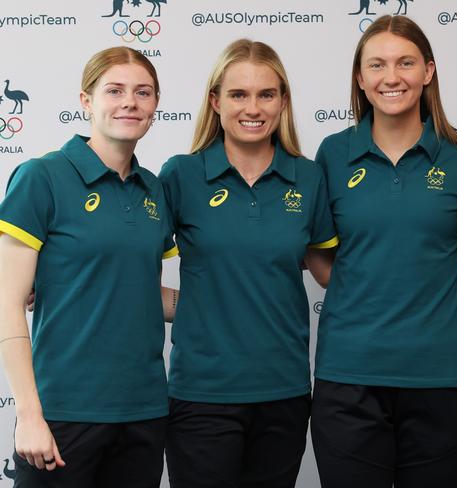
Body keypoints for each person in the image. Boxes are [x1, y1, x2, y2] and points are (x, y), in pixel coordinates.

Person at [310, 15, 457, 488]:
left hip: (443, 380)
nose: (392, 77)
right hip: (349, 378)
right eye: (378, 65)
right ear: (361, 79)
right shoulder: (332, 154)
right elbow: (319, 257)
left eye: (406, 62)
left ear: (428, 71)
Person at [159, 39, 337, 488]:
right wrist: (56, 279)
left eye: (266, 94)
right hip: (202, 393)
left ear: (282, 102)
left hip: (285, 393)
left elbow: (330, 270)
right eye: (238, 94)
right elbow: (122, 258)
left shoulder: (310, 177)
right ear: (216, 101)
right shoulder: (180, 175)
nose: (252, 107)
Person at [0, 46, 177, 488]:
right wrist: (29, 415)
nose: (129, 102)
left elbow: (141, 293)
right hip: (62, 415)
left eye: (143, 92)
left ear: (156, 104)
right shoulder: (41, 177)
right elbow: (6, 303)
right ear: (86, 101)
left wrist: (246, 297)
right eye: (114, 90)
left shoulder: (154, 190)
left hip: (144, 414)